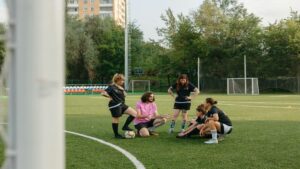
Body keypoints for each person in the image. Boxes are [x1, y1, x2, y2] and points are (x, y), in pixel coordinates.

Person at [101, 73, 137, 139]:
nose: (123, 82)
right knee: (116, 118)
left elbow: (125, 95)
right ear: (117, 80)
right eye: (122, 80)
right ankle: (116, 134)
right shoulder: (112, 87)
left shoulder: (121, 87)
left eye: (123, 80)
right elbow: (103, 93)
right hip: (115, 105)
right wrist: (109, 96)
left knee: (134, 113)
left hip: (122, 104)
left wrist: (123, 91)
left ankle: (125, 126)